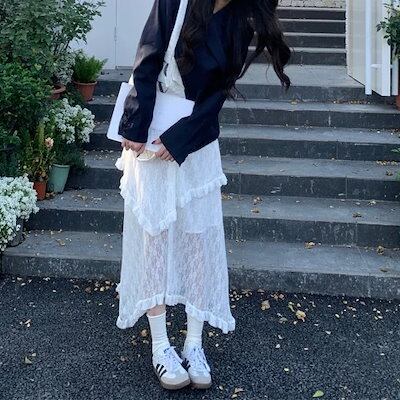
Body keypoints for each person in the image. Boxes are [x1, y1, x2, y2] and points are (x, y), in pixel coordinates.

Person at [115, 0, 291, 391]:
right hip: (152, 129)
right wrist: (136, 124)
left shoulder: (241, 18)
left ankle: (194, 344)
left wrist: (180, 138)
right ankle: (160, 345)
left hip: (195, 140)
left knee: (198, 238)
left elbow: (216, 95)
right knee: (153, 237)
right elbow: (148, 55)